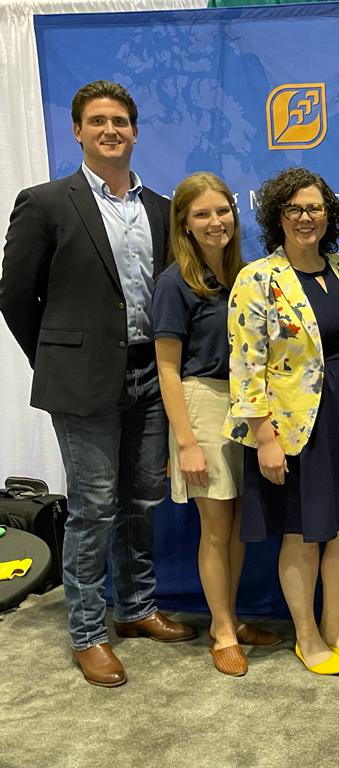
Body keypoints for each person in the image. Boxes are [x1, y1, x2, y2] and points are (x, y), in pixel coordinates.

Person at [0, 80, 195, 688]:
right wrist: (56, 359)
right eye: (97, 121)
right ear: (79, 132)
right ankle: (88, 631)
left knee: (141, 500)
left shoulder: (161, 209)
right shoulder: (46, 201)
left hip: (150, 372)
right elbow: (14, 296)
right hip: (82, 382)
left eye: (121, 121)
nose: (111, 129)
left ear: (135, 132)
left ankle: (135, 609)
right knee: (93, 508)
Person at [225, 167, 339, 676]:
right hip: (296, 426)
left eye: (314, 208)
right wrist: (264, 438)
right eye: (294, 208)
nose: (305, 217)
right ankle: (307, 636)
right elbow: (246, 365)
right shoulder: (257, 279)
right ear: (278, 215)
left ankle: (336, 627)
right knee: (304, 532)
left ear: (329, 215)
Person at [151, 172, 281, 677]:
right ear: (184, 223)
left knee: (239, 528)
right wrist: (185, 443)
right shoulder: (173, 283)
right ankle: (223, 630)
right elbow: (166, 367)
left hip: (247, 404)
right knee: (215, 526)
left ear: (234, 213)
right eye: (201, 214)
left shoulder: (245, 276)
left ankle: (229, 617)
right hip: (201, 404)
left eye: (221, 211)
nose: (214, 222)